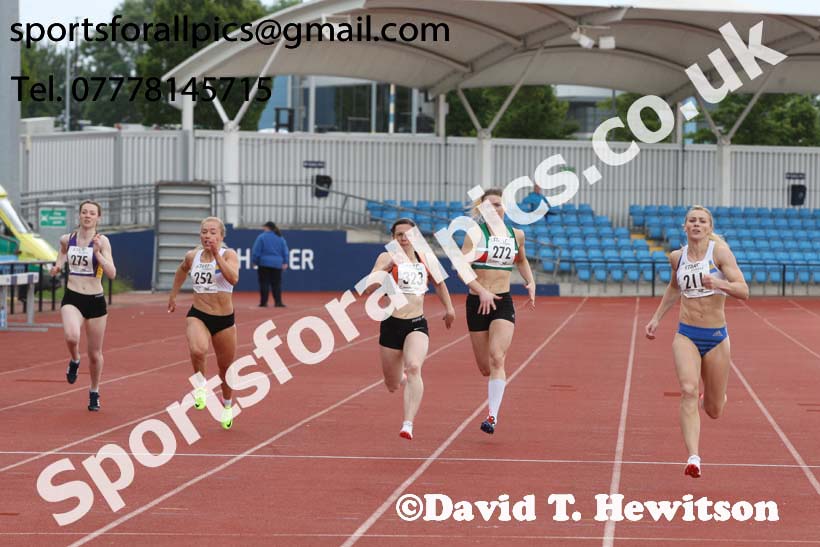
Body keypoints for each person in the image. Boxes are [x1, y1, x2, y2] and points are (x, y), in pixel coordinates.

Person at [645, 205, 748, 478]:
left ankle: (713, 397)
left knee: (714, 410)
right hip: (686, 334)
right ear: (685, 226)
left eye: (702, 221)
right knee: (688, 390)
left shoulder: (720, 254)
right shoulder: (677, 257)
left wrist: (719, 284)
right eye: (692, 221)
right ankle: (693, 457)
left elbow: (744, 290)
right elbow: (674, 288)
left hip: (715, 337)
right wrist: (656, 318)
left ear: (709, 228)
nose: (697, 224)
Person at [364, 218, 455, 440]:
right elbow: (368, 289)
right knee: (392, 383)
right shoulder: (386, 257)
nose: (404, 239)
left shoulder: (426, 258)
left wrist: (450, 309)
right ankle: (400, 378)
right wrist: (384, 270)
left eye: (408, 234)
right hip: (391, 323)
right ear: (393, 238)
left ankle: (408, 424)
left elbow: (440, 284)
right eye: (399, 235)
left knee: (414, 366)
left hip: (416, 323)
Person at [461, 188, 536, 434]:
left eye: (499, 205)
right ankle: (494, 382)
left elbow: (521, 260)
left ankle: (492, 416)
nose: (495, 209)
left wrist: (530, 281)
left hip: (502, 301)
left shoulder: (517, 235)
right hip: (477, 302)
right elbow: (462, 268)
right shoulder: (475, 235)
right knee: (485, 366)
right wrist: (480, 290)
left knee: (497, 357)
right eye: (490, 206)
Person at [168, 217, 240, 430]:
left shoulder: (229, 255)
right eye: (204, 232)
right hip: (199, 313)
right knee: (198, 350)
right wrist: (173, 295)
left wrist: (217, 254)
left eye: (212, 232)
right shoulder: (193, 256)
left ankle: (227, 404)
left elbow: (233, 278)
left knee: (225, 368)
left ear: (221, 236)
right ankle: (200, 386)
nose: (208, 236)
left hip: (224, 320)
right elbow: (181, 270)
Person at [49, 200, 117, 411]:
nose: (88, 216)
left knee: (95, 354)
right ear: (79, 216)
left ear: (98, 218)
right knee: (72, 336)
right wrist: (59, 265)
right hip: (73, 297)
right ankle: (75, 359)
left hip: (95, 301)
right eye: (84, 212)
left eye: (92, 213)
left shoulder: (102, 241)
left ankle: (94, 391)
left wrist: (97, 253)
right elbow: (62, 251)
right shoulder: (67, 239)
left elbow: (112, 273)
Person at [251, 221, 289, 308]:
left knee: (264, 283)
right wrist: (285, 262)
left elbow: (256, 251)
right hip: (277, 264)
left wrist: (254, 261)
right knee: (277, 284)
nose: (263, 229)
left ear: (267, 227)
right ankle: (278, 302)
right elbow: (285, 251)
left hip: (264, 263)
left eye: (264, 227)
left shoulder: (261, 237)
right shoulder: (280, 238)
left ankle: (264, 302)